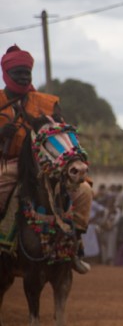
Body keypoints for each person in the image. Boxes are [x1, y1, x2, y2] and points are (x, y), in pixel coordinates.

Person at [0, 44, 92, 274]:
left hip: (46, 164)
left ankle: (75, 246)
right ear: (5, 74)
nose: (23, 77)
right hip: (8, 164)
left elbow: (62, 131)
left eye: (26, 73)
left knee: (84, 192)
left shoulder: (47, 102)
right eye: (17, 73)